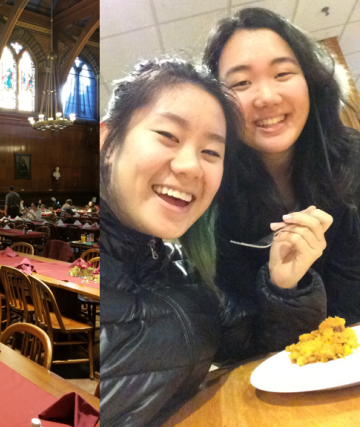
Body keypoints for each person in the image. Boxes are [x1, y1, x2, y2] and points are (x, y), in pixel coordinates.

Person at [98, 59, 326, 425]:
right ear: (108, 141)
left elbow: (258, 352)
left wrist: (285, 284)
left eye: (211, 152)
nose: (190, 166)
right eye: (168, 136)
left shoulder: (179, 268)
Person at [202, 7, 360, 325]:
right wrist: (281, 287)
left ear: (311, 81)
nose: (266, 97)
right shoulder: (211, 197)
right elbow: (235, 332)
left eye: (283, 74)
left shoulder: (353, 158)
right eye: (242, 83)